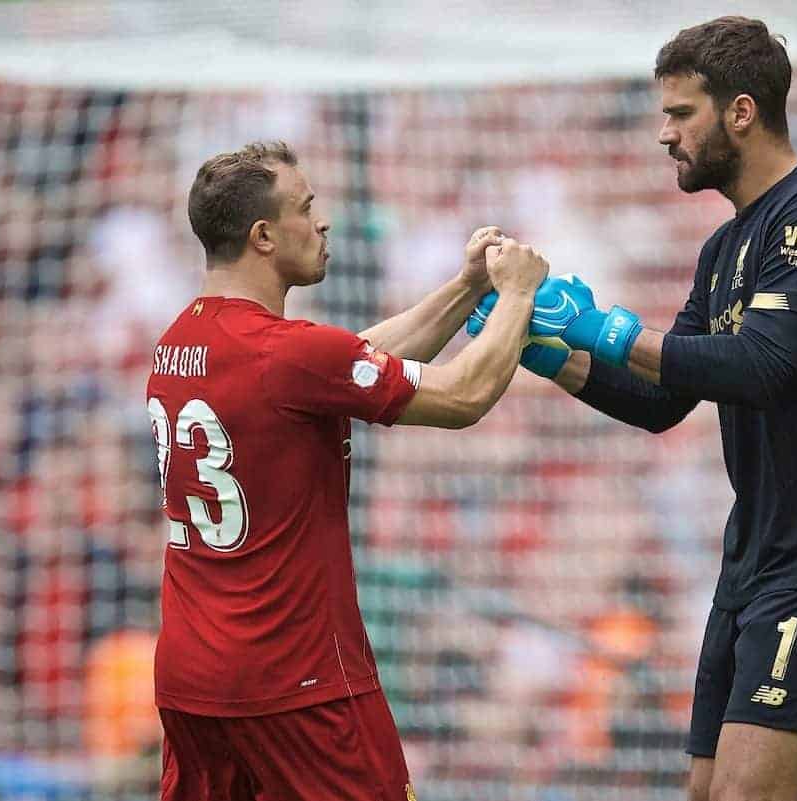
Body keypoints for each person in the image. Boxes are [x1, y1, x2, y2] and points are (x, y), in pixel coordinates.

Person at [471, 16, 797, 801]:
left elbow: (762, 364)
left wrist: (601, 327)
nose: (663, 134)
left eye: (680, 114)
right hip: (757, 554)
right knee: (709, 791)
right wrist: (550, 355)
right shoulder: (723, 249)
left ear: (740, 112)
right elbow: (663, 399)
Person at [145, 141, 546, 801]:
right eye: (307, 207)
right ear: (264, 235)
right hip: (297, 678)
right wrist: (516, 295)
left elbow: (351, 363)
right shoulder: (289, 354)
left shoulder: (178, 343)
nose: (321, 221)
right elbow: (465, 394)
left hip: (193, 675)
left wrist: (467, 285)